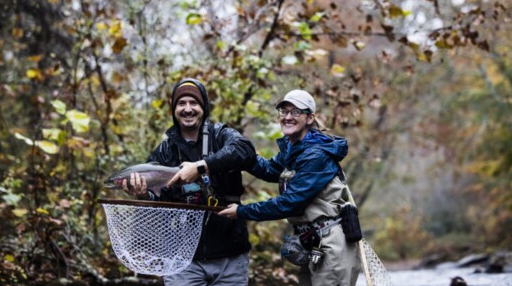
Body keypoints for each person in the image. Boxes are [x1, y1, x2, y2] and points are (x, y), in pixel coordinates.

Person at [218, 89, 361, 286]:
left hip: (331, 244)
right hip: (311, 242)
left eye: (295, 112)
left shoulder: (316, 155)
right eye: (284, 111)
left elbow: (290, 203)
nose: (287, 117)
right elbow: (269, 170)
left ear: (310, 118)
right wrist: (243, 155)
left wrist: (242, 211)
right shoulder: (293, 149)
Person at [122, 78, 255, 286]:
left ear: (204, 108)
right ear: (174, 109)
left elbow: (245, 151)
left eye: (194, 103)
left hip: (231, 256)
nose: (188, 109)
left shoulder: (221, 135)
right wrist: (141, 194)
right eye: (181, 103)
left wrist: (201, 166)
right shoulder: (164, 151)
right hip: (181, 260)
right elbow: (158, 202)